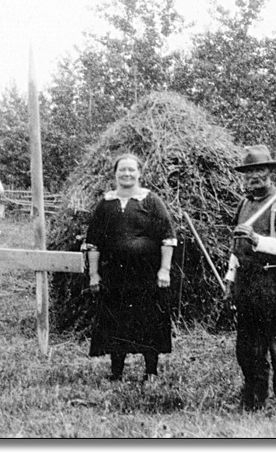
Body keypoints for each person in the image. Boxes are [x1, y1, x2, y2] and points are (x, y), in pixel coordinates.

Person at [223, 145, 276, 417]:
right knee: (248, 348)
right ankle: (253, 400)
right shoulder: (244, 204)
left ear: (269, 171)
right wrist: (230, 279)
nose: (253, 177)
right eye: (248, 172)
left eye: (259, 170)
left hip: (275, 280)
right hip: (248, 283)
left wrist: (257, 240)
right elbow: (236, 248)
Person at [84, 153, 177, 383]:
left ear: (139, 173)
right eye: (122, 170)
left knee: (149, 319)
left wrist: (164, 270)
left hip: (146, 275)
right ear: (115, 174)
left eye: (131, 170)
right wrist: (94, 274)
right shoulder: (105, 204)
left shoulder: (151, 201)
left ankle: (151, 372)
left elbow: (167, 238)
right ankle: (116, 372)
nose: (126, 174)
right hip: (115, 275)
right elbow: (93, 243)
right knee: (116, 320)